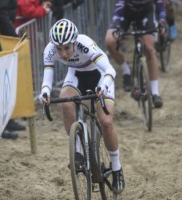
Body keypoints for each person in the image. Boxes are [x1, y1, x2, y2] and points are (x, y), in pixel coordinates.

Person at [39, 19, 125, 194]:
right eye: (59, 49)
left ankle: (116, 168)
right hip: (76, 75)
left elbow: (110, 70)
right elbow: (47, 79)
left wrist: (103, 86)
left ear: (74, 42)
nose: (62, 54)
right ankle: (78, 150)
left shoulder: (84, 44)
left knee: (106, 122)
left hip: (100, 76)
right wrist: (45, 92)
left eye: (67, 48)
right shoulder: (49, 50)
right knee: (65, 104)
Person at [105, 0, 165, 108]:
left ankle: (155, 93)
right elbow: (120, 5)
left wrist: (162, 20)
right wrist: (117, 23)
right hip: (126, 12)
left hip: (146, 12)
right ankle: (127, 72)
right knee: (110, 41)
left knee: (149, 48)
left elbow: (159, 3)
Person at [0, 0, 26, 139]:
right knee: (0, 81)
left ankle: (8, 119)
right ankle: (2, 123)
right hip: (2, 37)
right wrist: (12, 34)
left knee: (6, 80)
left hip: (6, 33)